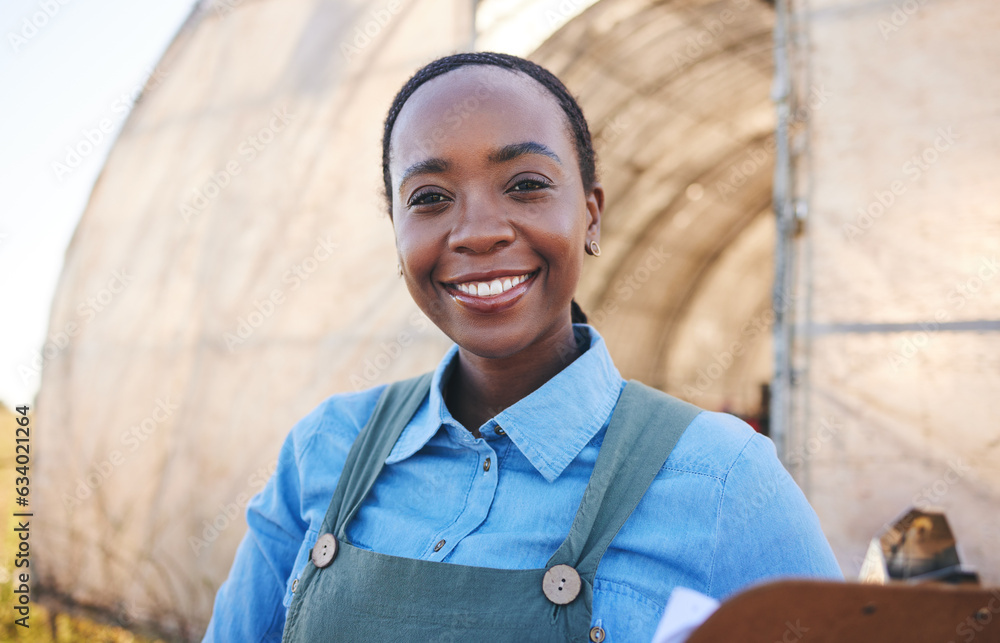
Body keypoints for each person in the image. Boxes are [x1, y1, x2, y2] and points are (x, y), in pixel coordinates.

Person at [204, 52, 842, 642]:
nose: (478, 233)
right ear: (396, 231)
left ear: (591, 215)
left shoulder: (723, 480)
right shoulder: (324, 449)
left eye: (526, 185)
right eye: (429, 198)